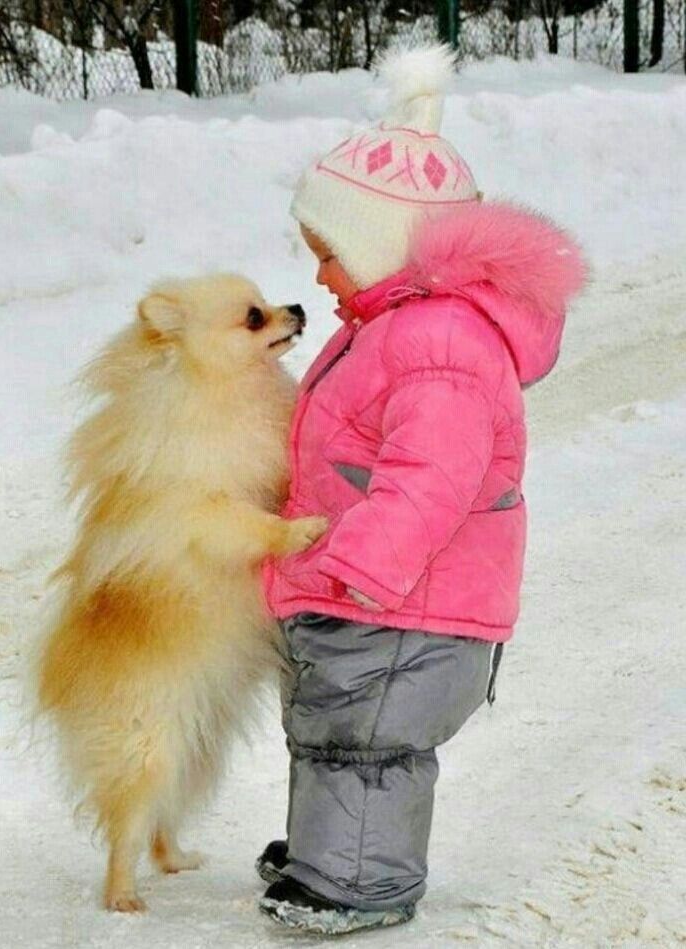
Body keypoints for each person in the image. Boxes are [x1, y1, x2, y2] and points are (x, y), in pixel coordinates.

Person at [258, 45, 587, 935]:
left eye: (330, 254)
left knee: (365, 744)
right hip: (376, 600)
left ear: (380, 246)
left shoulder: (439, 342)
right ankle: (331, 852)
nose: (320, 275)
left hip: (404, 605)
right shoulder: (395, 326)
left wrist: (354, 564)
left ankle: (359, 878)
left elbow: (430, 479)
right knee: (334, 731)